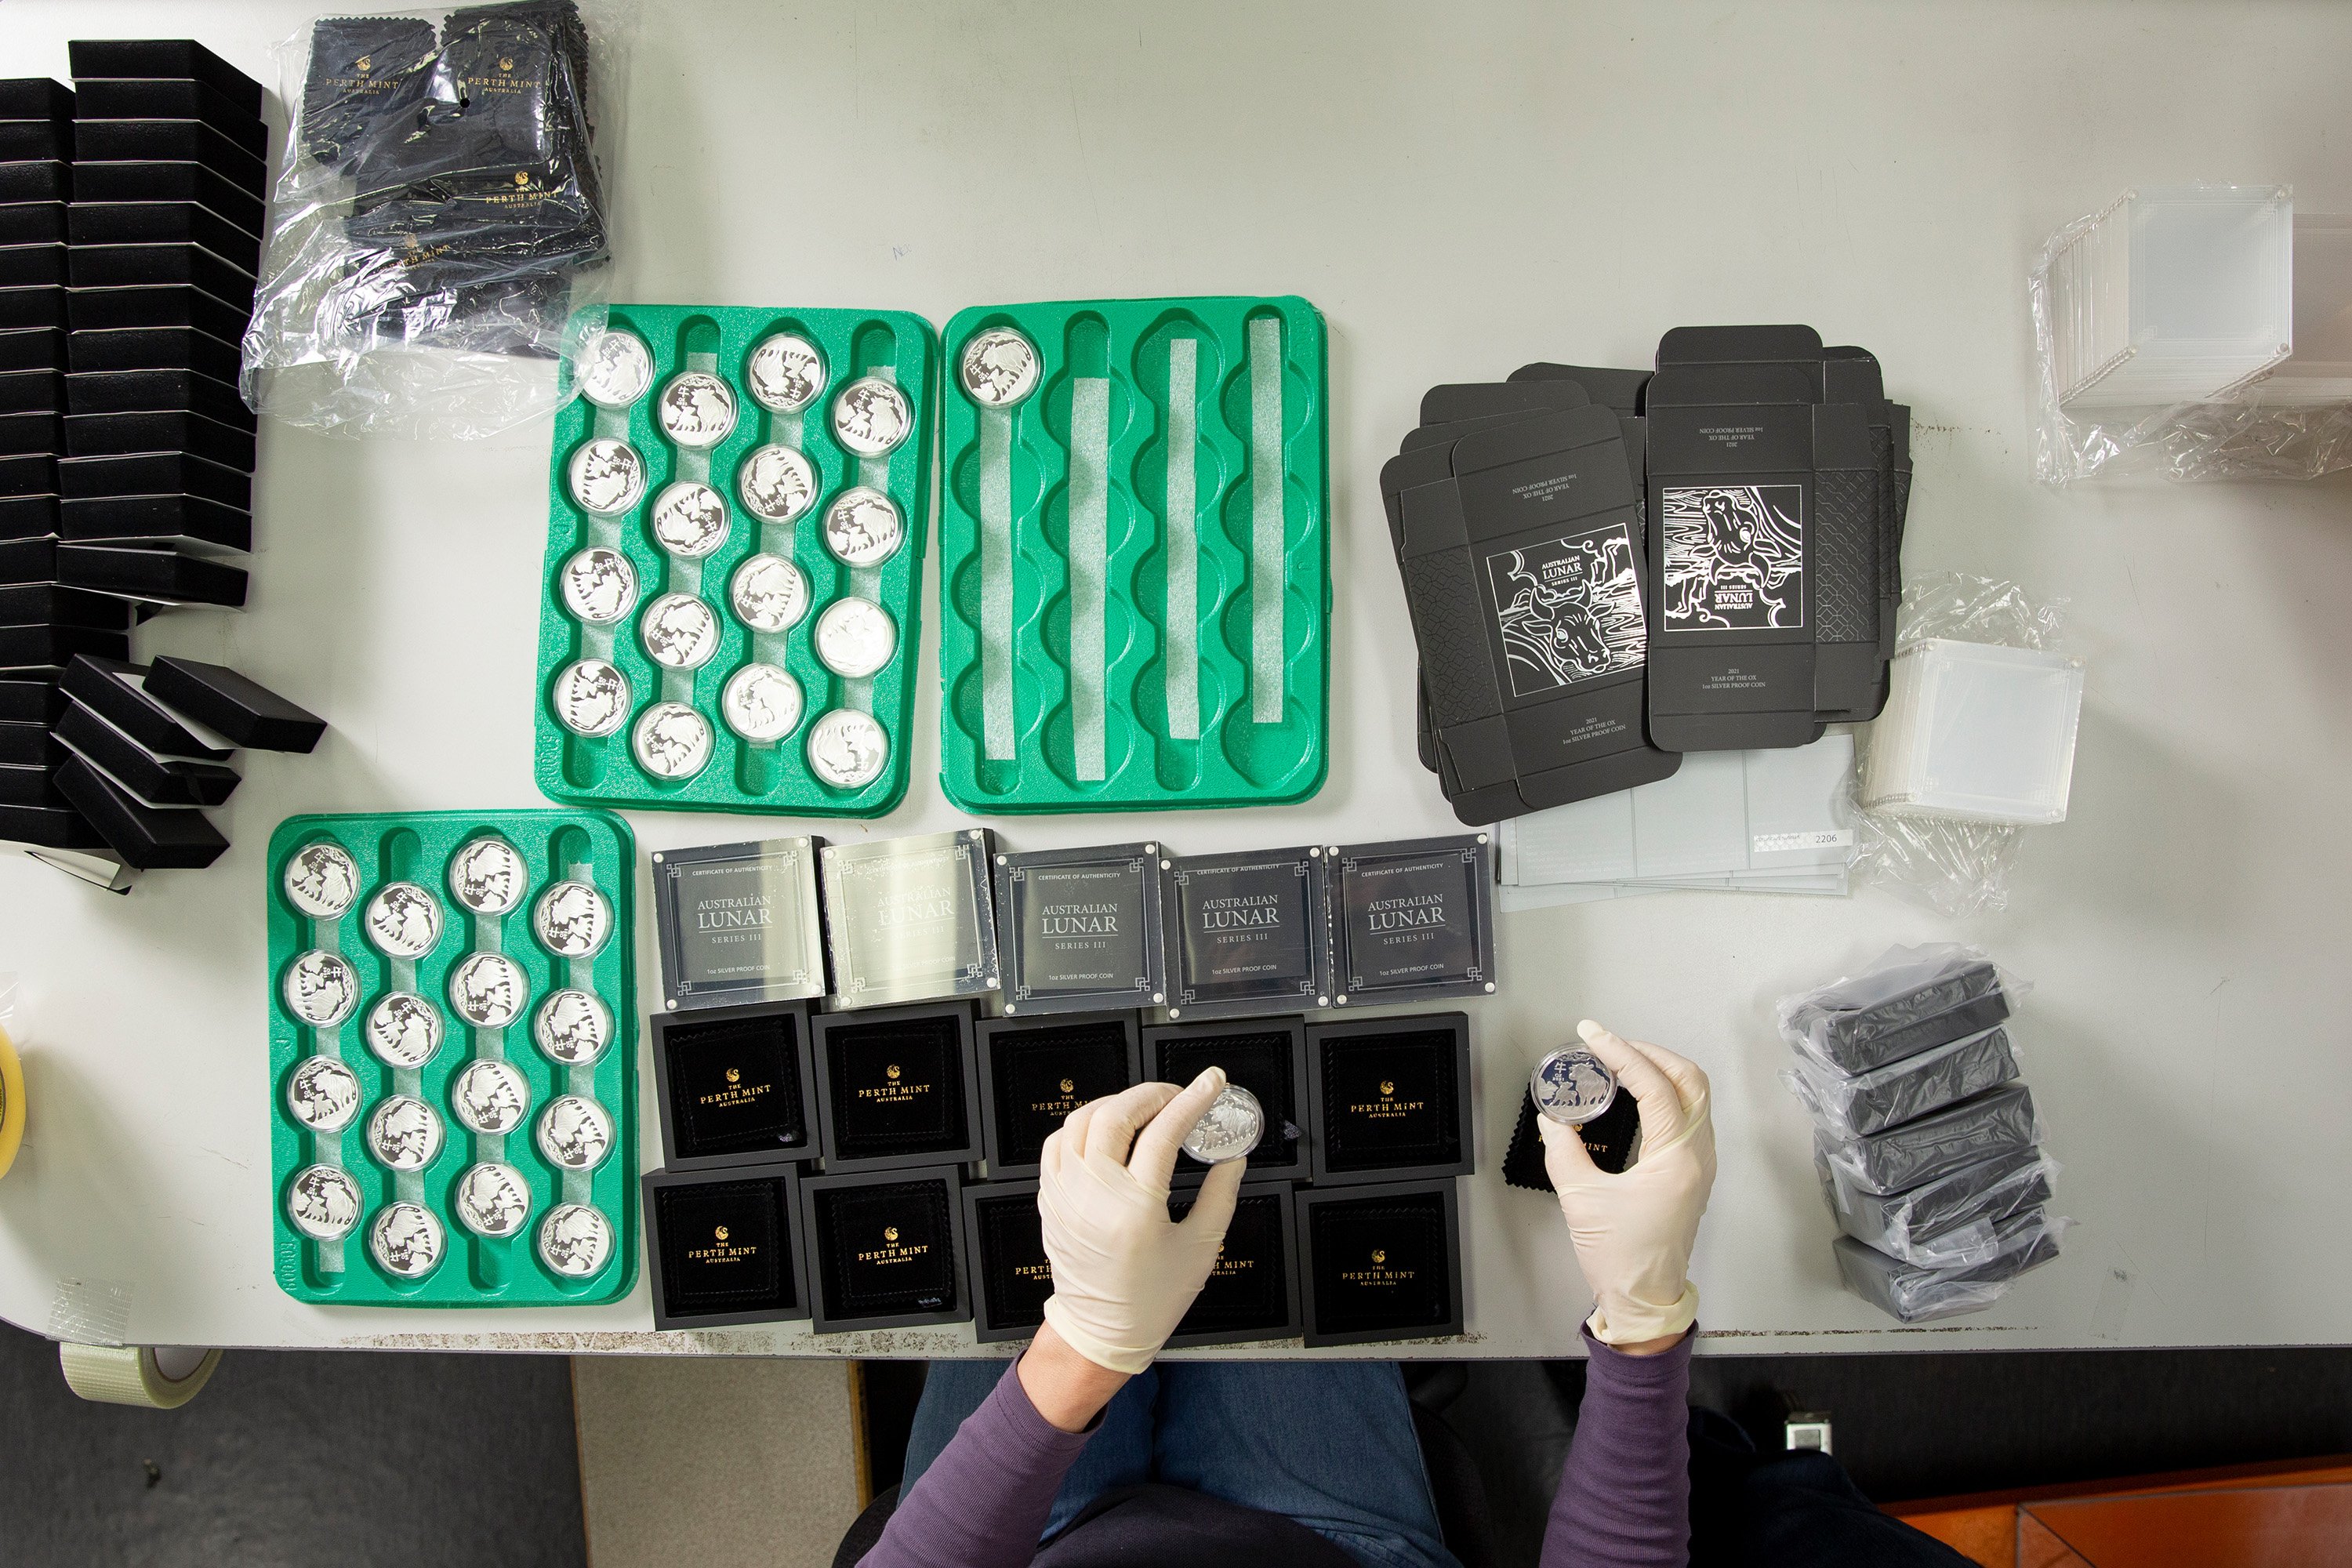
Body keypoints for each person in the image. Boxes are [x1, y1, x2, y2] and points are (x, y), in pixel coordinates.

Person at [858, 1020, 1716, 1568]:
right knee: (1283, 1233)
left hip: (1030, 1544)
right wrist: (1646, 1316)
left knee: (1049, 1199)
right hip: (1325, 1546)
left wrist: (1083, 1340)